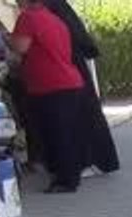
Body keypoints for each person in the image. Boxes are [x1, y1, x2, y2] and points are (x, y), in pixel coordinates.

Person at [9, 0, 87, 193]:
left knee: (55, 135)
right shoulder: (54, 19)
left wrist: (5, 38)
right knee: (66, 133)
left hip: (51, 86)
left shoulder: (27, 17)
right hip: (69, 82)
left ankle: (65, 181)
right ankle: (70, 176)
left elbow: (21, 47)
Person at [42, 0, 120, 176]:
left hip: (69, 62)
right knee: (86, 111)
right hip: (73, 61)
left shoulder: (49, 8)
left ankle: (90, 160)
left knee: (82, 114)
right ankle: (98, 160)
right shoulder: (58, 7)